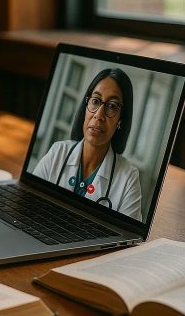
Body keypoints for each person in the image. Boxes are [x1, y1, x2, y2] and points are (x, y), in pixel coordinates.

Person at [32, 68, 142, 221]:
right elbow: (29, 206)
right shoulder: (58, 152)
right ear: (86, 105)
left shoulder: (128, 178)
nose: (99, 115)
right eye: (95, 101)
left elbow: (131, 240)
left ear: (120, 120)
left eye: (112, 106)